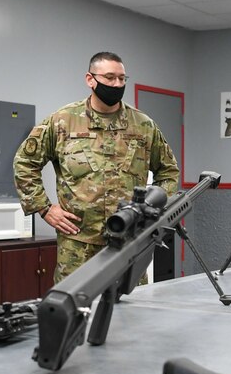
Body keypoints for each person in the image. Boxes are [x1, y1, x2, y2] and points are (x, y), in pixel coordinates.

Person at [13, 51, 179, 282]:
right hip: (78, 243)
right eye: (110, 77)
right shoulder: (62, 121)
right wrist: (43, 208)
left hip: (129, 239)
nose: (117, 84)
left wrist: (153, 213)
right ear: (90, 79)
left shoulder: (143, 125)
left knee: (134, 310)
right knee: (75, 310)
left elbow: (168, 171)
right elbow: (25, 163)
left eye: (122, 79)